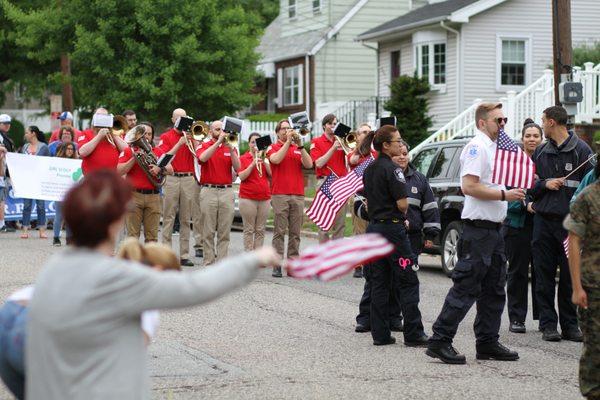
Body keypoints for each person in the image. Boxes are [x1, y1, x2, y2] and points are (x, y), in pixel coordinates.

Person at [25, 170, 280, 400]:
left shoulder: (52, 270)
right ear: (116, 221)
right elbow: (196, 287)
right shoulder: (113, 277)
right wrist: (252, 260)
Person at [426, 102, 525, 364]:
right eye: (498, 120)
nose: (503, 124)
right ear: (482, 123)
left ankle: (487, 342)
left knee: (494, 289)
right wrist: (505, 194)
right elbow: (469, 186)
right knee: (467, 286)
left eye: (504, 120)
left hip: (494, 230)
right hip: (477, 230)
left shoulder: (497, 149)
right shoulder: (477, 147)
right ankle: (440, 339)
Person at [530, 105, 593, 342]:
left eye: (543, 121)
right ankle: (548, 325)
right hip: (543, 222)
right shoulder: (541, 152)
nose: (542, 124)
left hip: (570, 226)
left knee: (569, 276)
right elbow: (530, 187)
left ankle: (570, 325)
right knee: (543, 275)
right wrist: (544, 184)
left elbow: (591, 188)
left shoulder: (582, 151)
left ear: (552, 123)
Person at [361, 125, 428, 347]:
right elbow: (402, 204)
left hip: (374, 229)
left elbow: (369, 202)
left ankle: (380, 335)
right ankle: (414, 333)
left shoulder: (369, 169)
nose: (401, 145)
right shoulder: (394, 170)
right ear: (386, 145)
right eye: (397, 141)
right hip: (393, 232)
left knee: (379, 282)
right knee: (408, 280)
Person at [564, 158, 600, 400]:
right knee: (596, 345)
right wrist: (577, 287)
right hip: (593, 283)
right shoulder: (588, 197)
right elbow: (574, 241)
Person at [503, 118, 543, 333]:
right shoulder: (513, 164)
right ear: (522, 139)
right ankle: (516, 318)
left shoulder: (546, 160)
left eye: (536, 136)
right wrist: (523, 205)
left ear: (542, 138)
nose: (532, 139)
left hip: (541, 223)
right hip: (517, 224)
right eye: (528, 136)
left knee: (541, 271)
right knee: (517, 272)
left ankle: (543, 317)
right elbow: (506, 194)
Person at [118, 122, 178, 243]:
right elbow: (119, 171)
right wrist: (134, 159)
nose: (146, 137)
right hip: (134, 195)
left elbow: (171, 170)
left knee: (152, 237)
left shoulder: (158, 151)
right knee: (132, 236)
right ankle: (132, 261)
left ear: (152, 136)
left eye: (149, 134)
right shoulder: (129, 150)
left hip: (154, 196)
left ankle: (149, 261)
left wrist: (159, 168)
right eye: (143, 134)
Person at [267, 119, 313, 277]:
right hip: (280, 193)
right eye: (283, 129)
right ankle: (277, 264)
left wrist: (300, 145)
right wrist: (287, 143)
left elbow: (309, 164)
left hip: (298, 194)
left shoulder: (297, 148)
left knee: (295, 232)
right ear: (278, 132)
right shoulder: (272, 147)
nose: (286, 131)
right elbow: (276, 160)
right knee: (279, 231)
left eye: (288, 128)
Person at [156, 109, 198, 266]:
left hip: (188, 178)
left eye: (184, 117)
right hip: (172, 178)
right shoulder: (166, 137)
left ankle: (184, 255)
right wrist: (179, 144)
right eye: (178, 117)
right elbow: (164, 157)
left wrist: (192, 140)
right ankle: (166, 255)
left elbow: (198, 155)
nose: (181, 119)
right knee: (168, 217)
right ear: (173, 119)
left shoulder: (191, 135)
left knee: (186, 219)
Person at [197, 120, 240, 265]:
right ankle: (208, 262)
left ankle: (222, 264)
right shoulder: (204, 145)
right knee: (208, 230)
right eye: (217, 130)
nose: (221, 132)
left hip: (226, 191)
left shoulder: (230, 147)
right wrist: (218, 143)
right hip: (208, 190)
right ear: (210, 132)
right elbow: (202, 158)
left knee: (224, 231)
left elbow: (238, 168)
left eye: (222, 129)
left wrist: (232, 149)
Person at [310, 113, 348, 243]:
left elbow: (352, 158)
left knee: (340, 224)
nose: (333, 126)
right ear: (324, 126)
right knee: (324, 224)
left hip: (341, 183)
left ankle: (337, 257)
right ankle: (324, 256)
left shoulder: (342, 141)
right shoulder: (316, 142)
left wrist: (345, 145)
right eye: (331, 123)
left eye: (335, 123)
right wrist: (333, 148)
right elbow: (319, 163)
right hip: (325, 182)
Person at [347, 123, 377, 278]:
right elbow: (352, 161)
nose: (367, 133)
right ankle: (358, 265)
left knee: (373, 230)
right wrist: (362, 148)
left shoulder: (375, 154)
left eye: (369, 132)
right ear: (357, 136)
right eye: (363, 132)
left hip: (375, 196)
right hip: (359, 196)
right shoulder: (355, 153)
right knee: (360, 231)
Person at [238, 132, 271, 251]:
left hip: (264, 197)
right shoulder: (243, 158)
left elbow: (271, 174)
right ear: (249, 144)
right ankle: (248, 255)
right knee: (249, 229)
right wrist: (253, 163)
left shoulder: (265, 157)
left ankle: (258, 257)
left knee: (261, 229)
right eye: (252, 142)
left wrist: (264, 158)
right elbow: (241, 176)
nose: (255, 144)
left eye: (257, 142)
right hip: (248, 197)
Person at [20, 126, 50, 239]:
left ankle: (42, 230)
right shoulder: (25, 147)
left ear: (33, 133)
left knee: (41, 206)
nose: (25, 135)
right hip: (27, 181)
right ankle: (25, 230)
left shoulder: (44, 147)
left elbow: (48, 164)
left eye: (27, 133)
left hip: (40, 181)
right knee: (26, 205)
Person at [77, 108, 128, 175]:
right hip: (92, 179)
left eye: (105, 117)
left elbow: (127, 151)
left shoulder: (115, 135)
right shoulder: (86, 133)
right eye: (99, 116)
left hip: (113, 179)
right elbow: (82, 152)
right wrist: (99, 136)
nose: (102, 120)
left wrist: (113, 134)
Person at [52, 142, 78, 246]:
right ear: (63, 149)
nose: (70, 151)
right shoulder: (57, 161)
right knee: (59, 215)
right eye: (68, 149)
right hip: (59, 192)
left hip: (71, 193)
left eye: (72, 149)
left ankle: (69, 238)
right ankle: (56, 237)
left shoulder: (76, 162)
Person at [0, 114, 16, 233]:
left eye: (8, 123)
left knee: (2, 199)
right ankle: (1, 225)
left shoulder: (6, 137)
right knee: (1, 200)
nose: (7, 125)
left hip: (4, 172)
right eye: (5, 123)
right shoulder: (1, 137)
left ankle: (2, 223)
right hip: (1, 172)